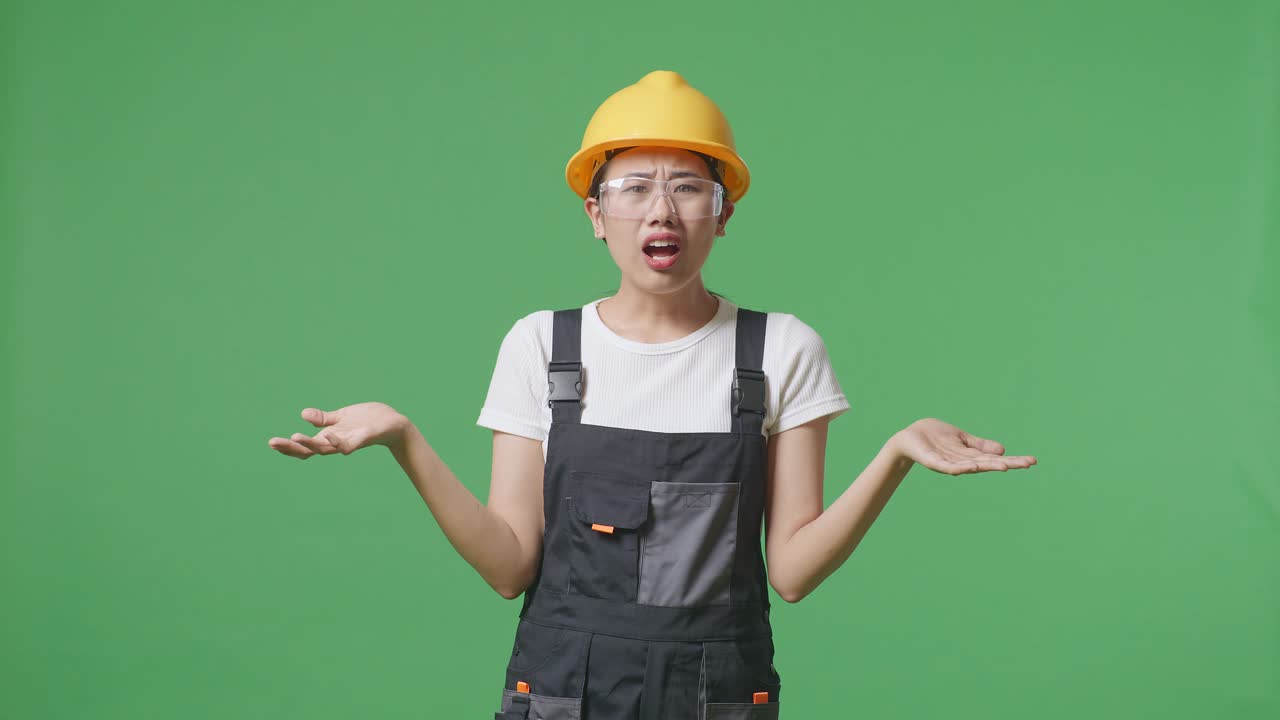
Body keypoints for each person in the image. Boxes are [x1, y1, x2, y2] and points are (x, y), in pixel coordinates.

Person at [267, 70, 1038, 720]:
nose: (661, 210)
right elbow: (509, 567)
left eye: (688, 188)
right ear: (595, 214)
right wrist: (406, 440)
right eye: (634, 187)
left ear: (723, 214)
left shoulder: (781, 350)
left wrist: (895, 458)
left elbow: (793, 573)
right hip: (563, 692)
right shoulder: (541, 345)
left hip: (718, 695)